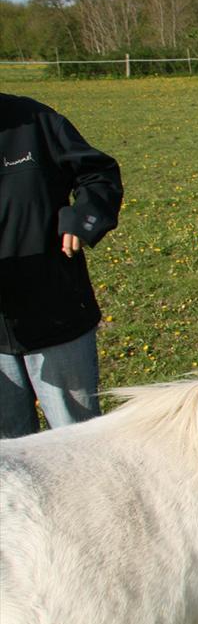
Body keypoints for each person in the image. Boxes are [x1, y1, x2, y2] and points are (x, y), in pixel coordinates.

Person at [0, 93, 123, 438]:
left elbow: (98, 174)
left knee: (76, 435)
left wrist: (83, 219)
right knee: (8, 447)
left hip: (57, 310)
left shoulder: (36, 121)